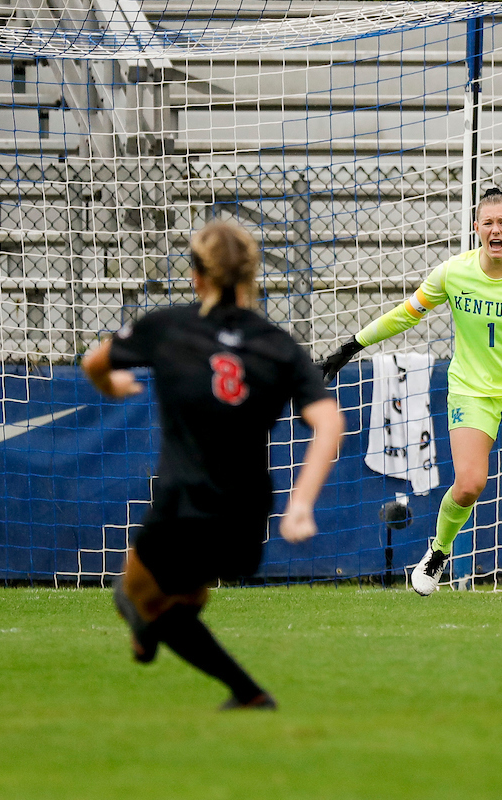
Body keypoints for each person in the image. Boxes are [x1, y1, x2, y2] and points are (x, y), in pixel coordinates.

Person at [83, 219, 344, 710]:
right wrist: (301, 505)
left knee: (132, 595)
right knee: (187, 598)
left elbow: (94, 363)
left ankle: (240, 687)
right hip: (246, 517)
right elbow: (330, 425)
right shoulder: (279, 345)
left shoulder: (166, 327)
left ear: (197, 275)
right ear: (252, 275)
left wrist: (113, 386)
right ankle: (233, 684)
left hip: (183, 502)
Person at [320, 187, 502, 601]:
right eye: (488, 222)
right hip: (472, 390)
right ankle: (438, 553)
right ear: (476, 228)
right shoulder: (453, 273)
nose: (496, 230)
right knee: (470, 483)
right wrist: (352, 345)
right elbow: (407, 313)